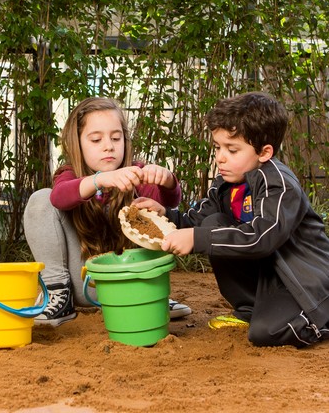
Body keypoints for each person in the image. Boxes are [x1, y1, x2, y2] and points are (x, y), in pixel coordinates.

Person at [134, 92, 329, 348]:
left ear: (264, 152)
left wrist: (197, 238)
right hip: (269, 275)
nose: (220, 157)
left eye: (232, 149)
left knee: (266, 334)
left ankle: (321, 317)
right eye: (217, 147)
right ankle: (249, 308)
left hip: (304, 280)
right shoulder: (225, 184)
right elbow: (196, 221)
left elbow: (262, 238)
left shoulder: (280, 186)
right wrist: (164, 215)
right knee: (213, 223)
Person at [23, 97, 191, 327]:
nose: (108, 146)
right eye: (96, 139)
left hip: (125, 283)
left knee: (153, 211)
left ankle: (150, 296)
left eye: (115, 137)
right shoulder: (70, 175)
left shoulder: (136, 174)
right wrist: (100, 179)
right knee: (40, 199)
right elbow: (59, 198)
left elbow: (169, 203)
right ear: (77, 143)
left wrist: (168, 181)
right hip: (82, 283)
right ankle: (57, 296)